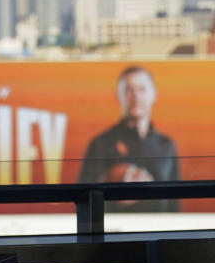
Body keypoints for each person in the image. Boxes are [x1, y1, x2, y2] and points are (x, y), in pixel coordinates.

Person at [77, 65, 180, 212]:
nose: (136, 96)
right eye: (128, 90)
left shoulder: (167, 145)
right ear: (118, 96)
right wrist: (117, 193)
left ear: (154, 94)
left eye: (142, 89)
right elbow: (83, 201)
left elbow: (174, 203)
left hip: (158, 231)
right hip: (116, 230)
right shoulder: (100, 144)